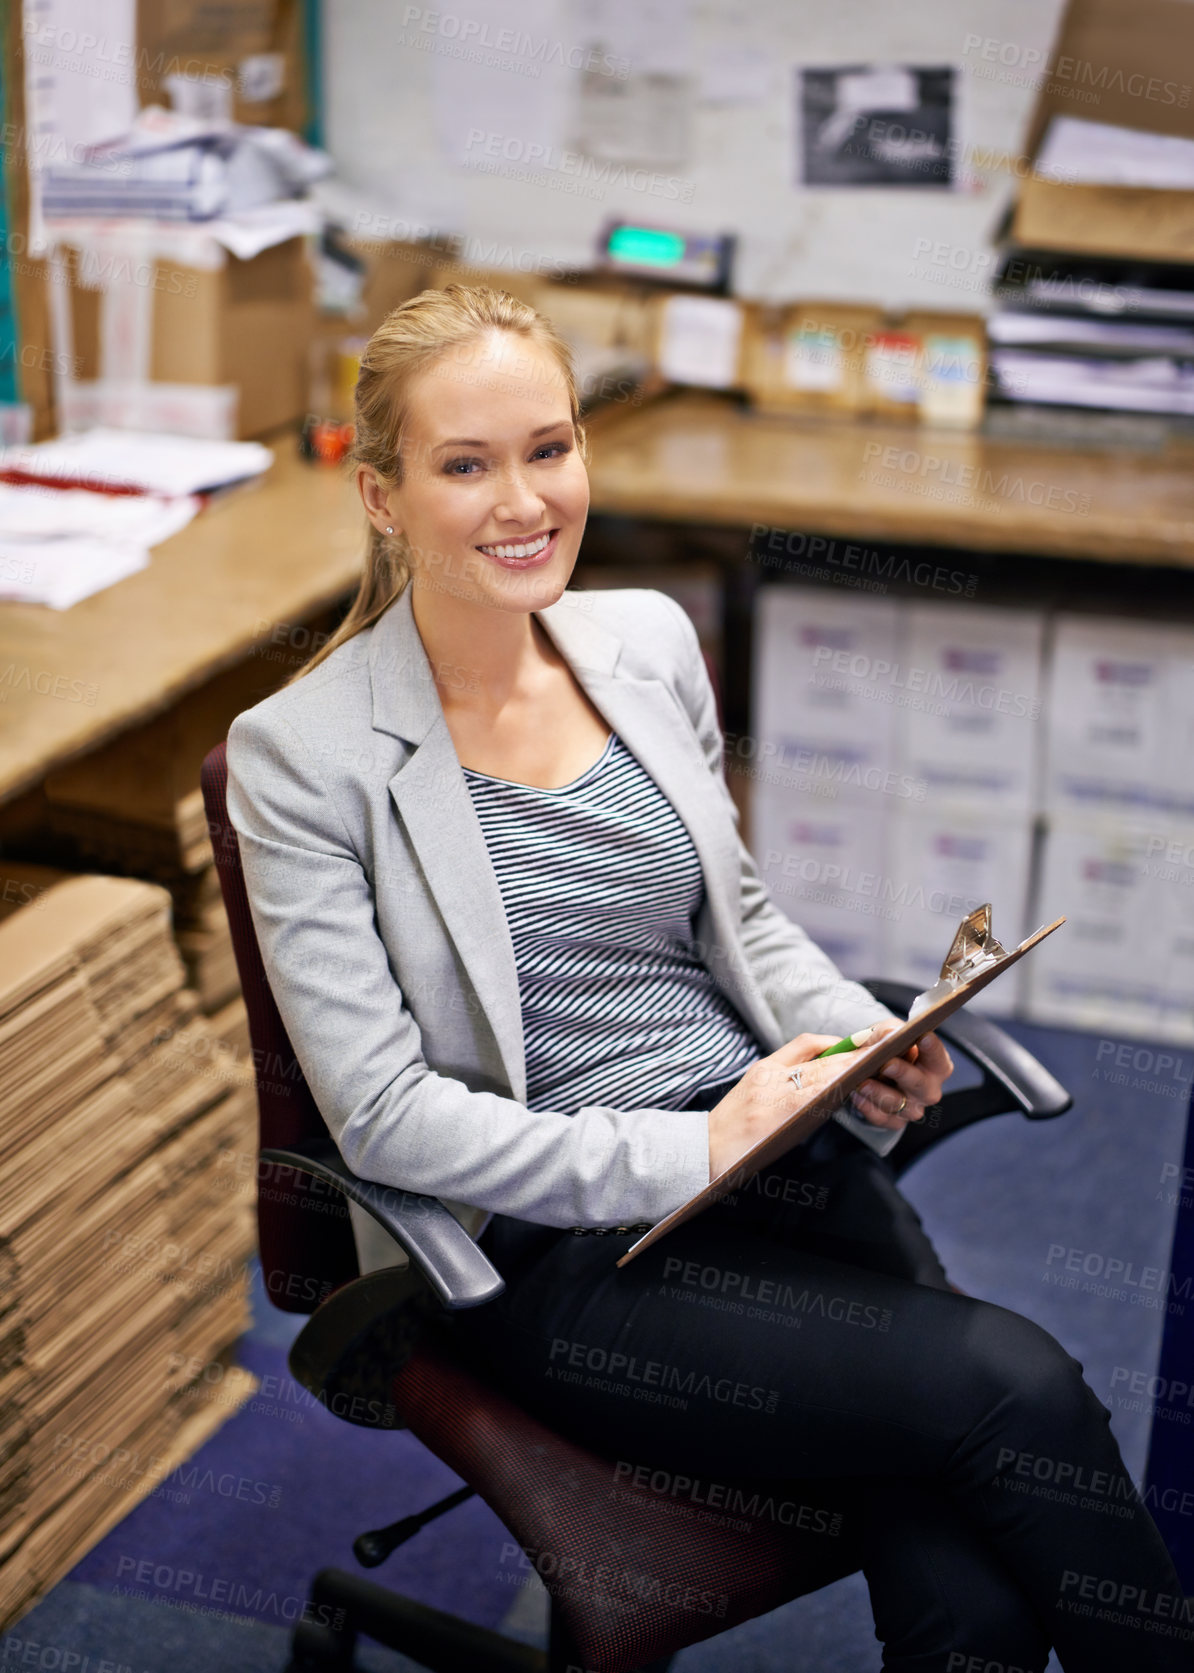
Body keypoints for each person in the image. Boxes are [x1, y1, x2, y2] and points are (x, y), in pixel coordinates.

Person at [225, 284, 1193, 1672]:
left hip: (779, 1158)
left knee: (973, 1587)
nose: (523, 501)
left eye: (548, 448)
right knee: (1017, 1387)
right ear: (379, 495)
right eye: (464, 463)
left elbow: (735, 911)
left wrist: (857, 1036)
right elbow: (382, 1119)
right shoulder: (303, 754)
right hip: (563, 1248)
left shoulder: (641, 643)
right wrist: (686, 1146)